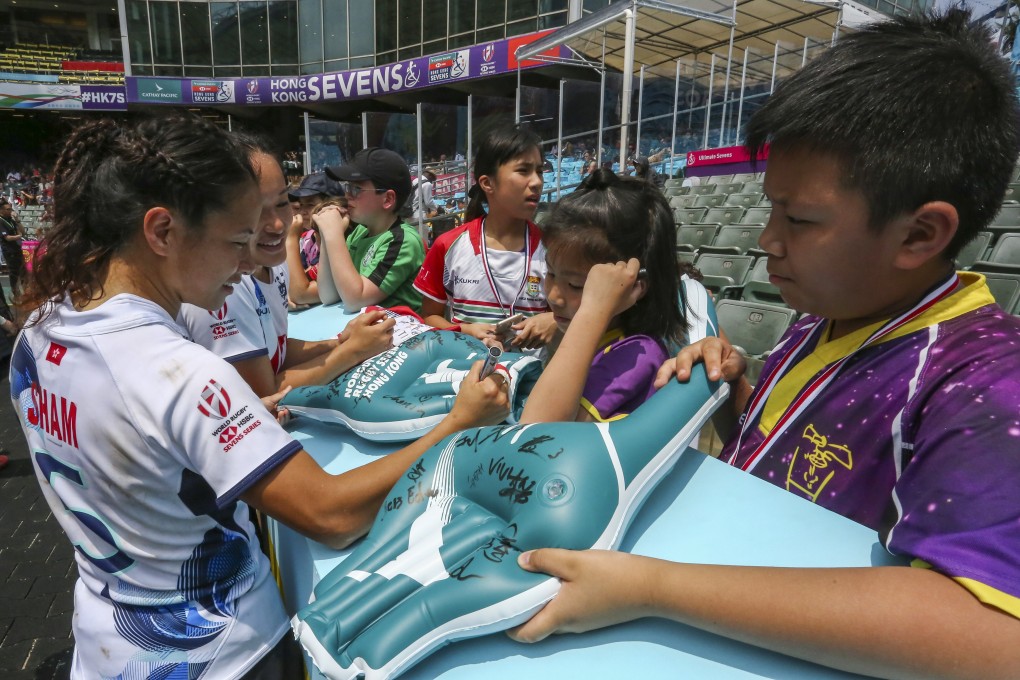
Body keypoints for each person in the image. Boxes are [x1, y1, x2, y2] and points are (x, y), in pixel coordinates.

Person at [509, 10, 1020, 678]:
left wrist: (654, 588)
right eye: (772, 208)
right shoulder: (831, 311)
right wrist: (731, 392)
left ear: (921, 235)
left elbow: (992, 636)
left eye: (800, 219)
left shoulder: (986, 384)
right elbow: (793, 460)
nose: (767, 240)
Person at [8, 115, 511, 679]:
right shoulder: (179, 372)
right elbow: (331, 514)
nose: (248, 263)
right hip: (224, 652)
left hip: (109, 636)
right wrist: (459, 423)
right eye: (235, 241)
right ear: (162, 232)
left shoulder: (40, 332)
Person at [179, 133, 389, 398]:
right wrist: (352, 351)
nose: (278, 224)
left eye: (281, 203)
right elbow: (262, 394)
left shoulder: (272, 262)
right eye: (254, 209)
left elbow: (275, 350)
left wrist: (339, 343)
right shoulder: (221, 284)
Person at [519, 170, 707, 423]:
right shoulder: (594, 336)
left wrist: (592, 311)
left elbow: (537, 430)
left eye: (576, 285)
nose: (554, 296)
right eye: (551, 274)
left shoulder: (637, 354)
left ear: (635, 285)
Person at [413, 124, 558, 353]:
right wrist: (465, 331)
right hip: (469, 376)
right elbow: (430, 316)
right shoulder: (448, 245)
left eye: (539, 171)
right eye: (523, 170)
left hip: (536, 382)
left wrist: (554, 321)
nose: (537, 181)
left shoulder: (553, 248)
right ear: (487, 183)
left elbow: (576, 315)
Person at [316, 147, 425, 312]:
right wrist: (326, 235)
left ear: (387, 199)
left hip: (400, 333)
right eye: (347, 187)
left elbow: (356, 300)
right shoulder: (360, 232)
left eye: (356, 189)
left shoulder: (402, 240)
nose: (347, 196)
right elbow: (328, 295)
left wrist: (334, 234)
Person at [286, 171, 345, 305]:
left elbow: (301, 294)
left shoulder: (339, 240)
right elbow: (292, 281)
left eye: (310, 204)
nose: (302, 211)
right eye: (301, 205)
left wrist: (290, 240)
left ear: (333, 205)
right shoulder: (308, 238)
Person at [0, 198, 26, 295]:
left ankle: (25, 290)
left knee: (24, 270)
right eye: (8, 209)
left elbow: (23, 232)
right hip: (10, 251)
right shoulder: (1, 221)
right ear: (1, 210)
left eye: (11, 209)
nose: (10, 211)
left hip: (17, 248)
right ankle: (15, 291)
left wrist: (18, 220)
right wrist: (18, 236)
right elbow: (7, 238)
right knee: (14, 272)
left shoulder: (11, 220)